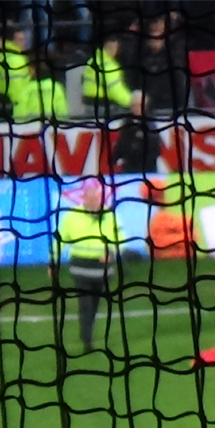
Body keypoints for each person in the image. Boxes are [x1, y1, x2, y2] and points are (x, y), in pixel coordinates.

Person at [50, 179, 125, 352]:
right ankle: (87, 338)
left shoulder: (110, 216)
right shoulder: (72, 216)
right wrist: (53, 261)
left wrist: (111, 253)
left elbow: (120, 238)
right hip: (80, 267)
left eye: (95, 198)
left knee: (95, 303)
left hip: (102, 268)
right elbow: (60, 240)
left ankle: (87, 331)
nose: (93, 202)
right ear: (83, 198)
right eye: (90, 198)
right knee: (86, 303)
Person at [82, 35, 133, 118]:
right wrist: (131, 102)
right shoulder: (109, 65)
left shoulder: (92, 60)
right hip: (105, 106)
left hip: (89, 105)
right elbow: (115, 89)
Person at [111, 91, 161, 174]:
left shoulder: (150, 124)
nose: (137, 108)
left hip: (147, 169)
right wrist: (114, 158)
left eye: (140, 105)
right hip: (128, 168)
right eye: (135, 105)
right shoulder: (127, 123)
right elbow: (122, 143)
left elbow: (155, 149)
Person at [0, 23, 33, 120]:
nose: (24, 42)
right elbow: (17, 89)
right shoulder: (17, 60)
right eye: (21, 40)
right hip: (16, 110)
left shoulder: (6, 56)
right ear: (12, 41)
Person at [25, 54, 68, 121]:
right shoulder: (56, 87)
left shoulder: (28, 88)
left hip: (32, 123)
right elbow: (62, 109)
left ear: (34, 69)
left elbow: (20, 110)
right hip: (51, 122)